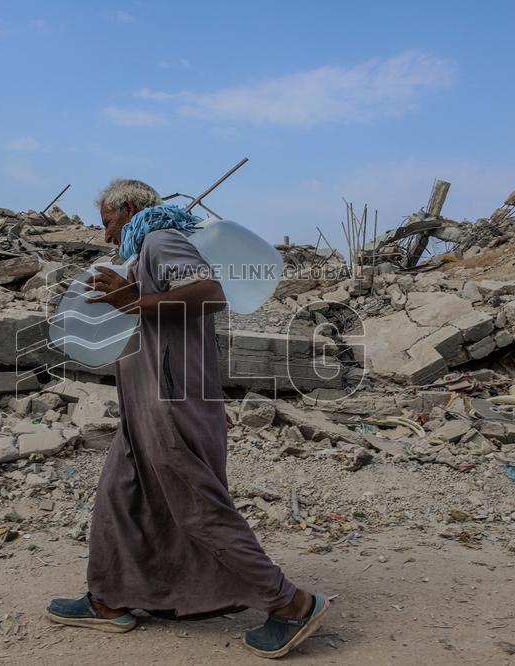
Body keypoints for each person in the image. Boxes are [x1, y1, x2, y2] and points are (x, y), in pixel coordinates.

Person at [46, 179, 327, 659]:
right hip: (143, 405)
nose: (106, 236)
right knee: (120, 496)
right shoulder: (142, 254)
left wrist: (132, 299)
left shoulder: (160, 240)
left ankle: (292, 604)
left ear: (128, 209)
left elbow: (210, 293)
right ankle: (109, 599)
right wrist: (128, 296)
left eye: (108, 223)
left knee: (196, 505)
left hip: (170, 402)